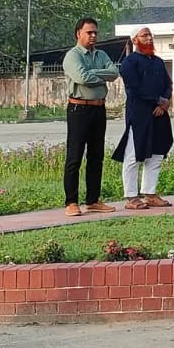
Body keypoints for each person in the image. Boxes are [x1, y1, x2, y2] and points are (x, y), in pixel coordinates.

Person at [62, 17, 120, 216]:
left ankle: (93, 200)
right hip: (79, 110)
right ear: (78, 33)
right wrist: (99, 76)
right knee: (75, 156)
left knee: (96, 156)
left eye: (95, 32)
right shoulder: (73, 56)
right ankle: (71, 202)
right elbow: (81, 78)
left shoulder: (101, 54)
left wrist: (93, 72)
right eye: (89, 32)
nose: (93, 36)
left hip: (98, 109)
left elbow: (114, 73)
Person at [113, 27, 174, 209]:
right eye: (144, 35)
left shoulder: (158, 62)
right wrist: (157, 101)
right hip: (139, 114)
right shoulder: (129, 63)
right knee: (133, 154)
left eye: (150, 35)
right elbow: (135, 89)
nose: (148, 38)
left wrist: (164, 103)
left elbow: (167, 84)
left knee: (156, 154)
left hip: (159, 113)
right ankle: (131, 197)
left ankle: (150, 193)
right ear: (134, 39)